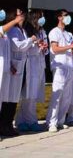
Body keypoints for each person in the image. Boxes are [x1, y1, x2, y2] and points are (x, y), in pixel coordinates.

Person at [46, 9, 73, 133]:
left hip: (69, 66)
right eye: (66, 16)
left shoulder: (69, 34)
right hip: (59, 66)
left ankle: (61, 121)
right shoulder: (54, 32)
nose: (68, 18)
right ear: (59, 18)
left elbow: (71, 51)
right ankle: (51, 122)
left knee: (67, 96)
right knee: (57, 94)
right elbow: (55, 49)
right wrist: (70, 46)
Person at [15, 10, 48, 132]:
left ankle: (21, 120)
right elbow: (27, 48)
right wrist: (36, 44)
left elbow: (46, 49)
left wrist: (44, 48)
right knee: (29, 95)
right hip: (31, 65)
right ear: (35, 18)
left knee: (33, 95)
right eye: (41, 17)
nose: (43, 19)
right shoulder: (28, 31)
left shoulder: (43, 31)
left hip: (40, 65)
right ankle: (31, 121)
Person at [0, 9, 25, 138]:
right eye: (19, 14)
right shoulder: (5, 30)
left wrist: (10, 65)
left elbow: (7, 51)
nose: (22, 16)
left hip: (6, 70)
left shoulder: (6, 33)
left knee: (7, 99)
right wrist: (15, 21)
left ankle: (6, 125)